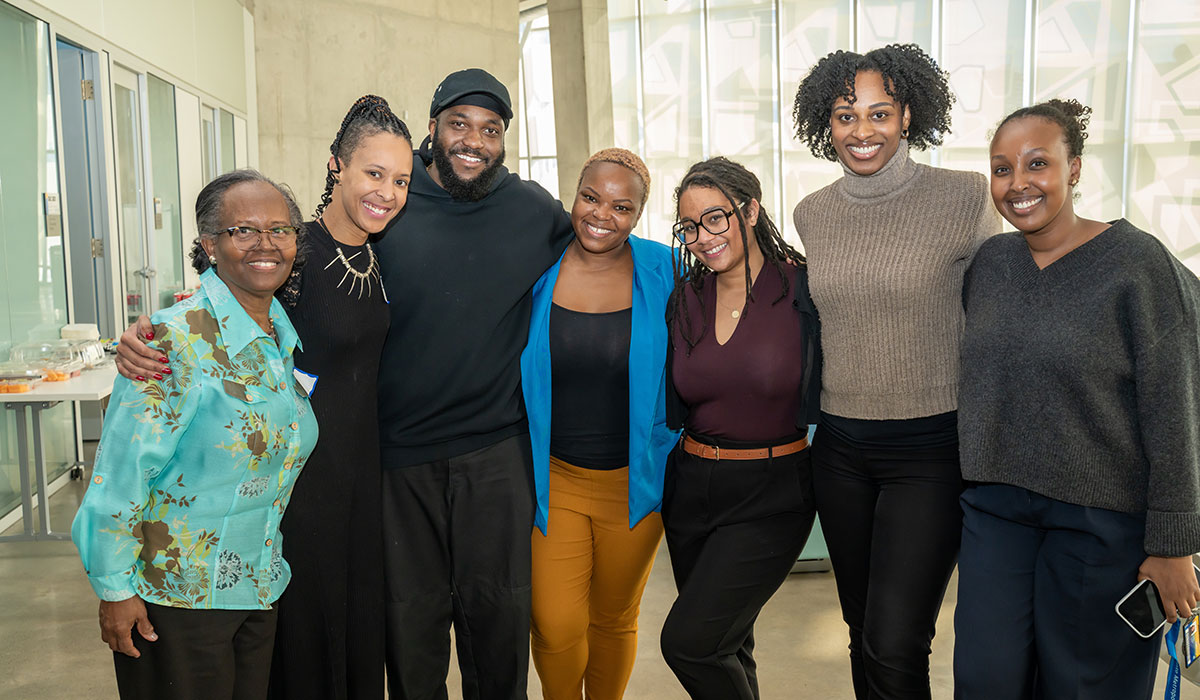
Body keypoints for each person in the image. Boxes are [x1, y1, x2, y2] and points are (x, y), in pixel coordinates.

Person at [113, 95, 413, 700]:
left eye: (401, 179)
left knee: (353, 628)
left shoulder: (384, 252)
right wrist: (141, 337)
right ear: (337, 167)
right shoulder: (289, 248)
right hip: (291, 483)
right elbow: (214, 306)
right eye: (373, 173)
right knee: (298, 642)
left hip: (359, 474)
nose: (386, 191)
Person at [954, 98, 1200, 700]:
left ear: (1076, 168)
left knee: (1086, 685)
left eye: (1038, 163)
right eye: (1002, 168)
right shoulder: (990, 263)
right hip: (997, 509)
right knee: (986, 678)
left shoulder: (1137, 265)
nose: (1018, 184)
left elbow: (1177, 412)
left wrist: (1174, 546)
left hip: (1101, 519)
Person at [790, 43, 1000, 699]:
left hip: (932, 448)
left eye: (880, 113)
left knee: (896, 635)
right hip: (842, 450)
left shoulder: (966, 198)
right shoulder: (813, 214)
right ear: (827, 124)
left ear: (908, 115)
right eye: (846, 115)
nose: (862, 131)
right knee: (862, 629)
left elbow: (1006, 317)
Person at [72, 170, 317, 699]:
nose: (266, 244)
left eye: (280, 228)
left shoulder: (278, 333)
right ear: (209, 244)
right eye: (243, 231)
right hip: (176, 598)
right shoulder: (172, 341)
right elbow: (120, 472)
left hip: (257, 585)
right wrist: (114, 589)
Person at [373, 68, 573, 699]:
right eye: (459, 123)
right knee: (411, 623)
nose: (473, 141)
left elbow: (607, 252)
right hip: (398, 455)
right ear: (432, 128)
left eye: (490, 130)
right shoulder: (391, 204)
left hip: (495, 451)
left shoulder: (531, 209)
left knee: (498, 619)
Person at [659, 156, 820, 700]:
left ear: (750, 210)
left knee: (690, 643)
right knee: (729, 644)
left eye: (715, 218)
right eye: (689, 226)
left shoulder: (804, 289)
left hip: (772, 494)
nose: (702, 237)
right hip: (691, 490)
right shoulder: (686, 298)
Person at [520, 148, 677, 700]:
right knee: (555, 622)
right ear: (575, 196)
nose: (601, 215)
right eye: (591, 197)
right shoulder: (538, 268)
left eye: (621, 206)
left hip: (636, 483)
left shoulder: (666, 270)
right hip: (554, 478)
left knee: (614, 617)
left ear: (638, 215)